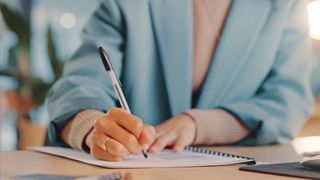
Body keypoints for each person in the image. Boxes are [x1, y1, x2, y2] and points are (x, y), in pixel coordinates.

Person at [47, 0, 314, 161]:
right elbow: (77, 87)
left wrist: (198, 124)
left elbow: (289, 100)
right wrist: (94, 130)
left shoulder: (286, 5)